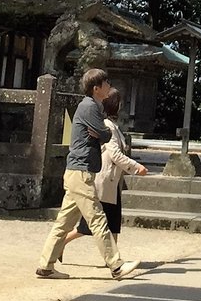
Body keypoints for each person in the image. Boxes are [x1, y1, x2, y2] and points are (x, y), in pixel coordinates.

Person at [35, 68, 142, 281]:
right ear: (96, 88)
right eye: (105, 83)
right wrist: (103, 133)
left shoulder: (91, 106)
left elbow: (102, 133)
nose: (108, 86)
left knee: (64, 223)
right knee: (97, 218)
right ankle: (116, 265)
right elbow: (104, 134)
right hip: (81, 171)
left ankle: (46, 265)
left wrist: (102, 133)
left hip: (78, 171)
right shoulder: (90, 107)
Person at [60, 87, 148, 259]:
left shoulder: (112, 125)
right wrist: (136, 166)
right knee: (92, 223)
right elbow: (115, 154)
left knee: (113, 222)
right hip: (105, 179)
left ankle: (115, 259)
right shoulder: (107, 125)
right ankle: (63, 242)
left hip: (112, 181)